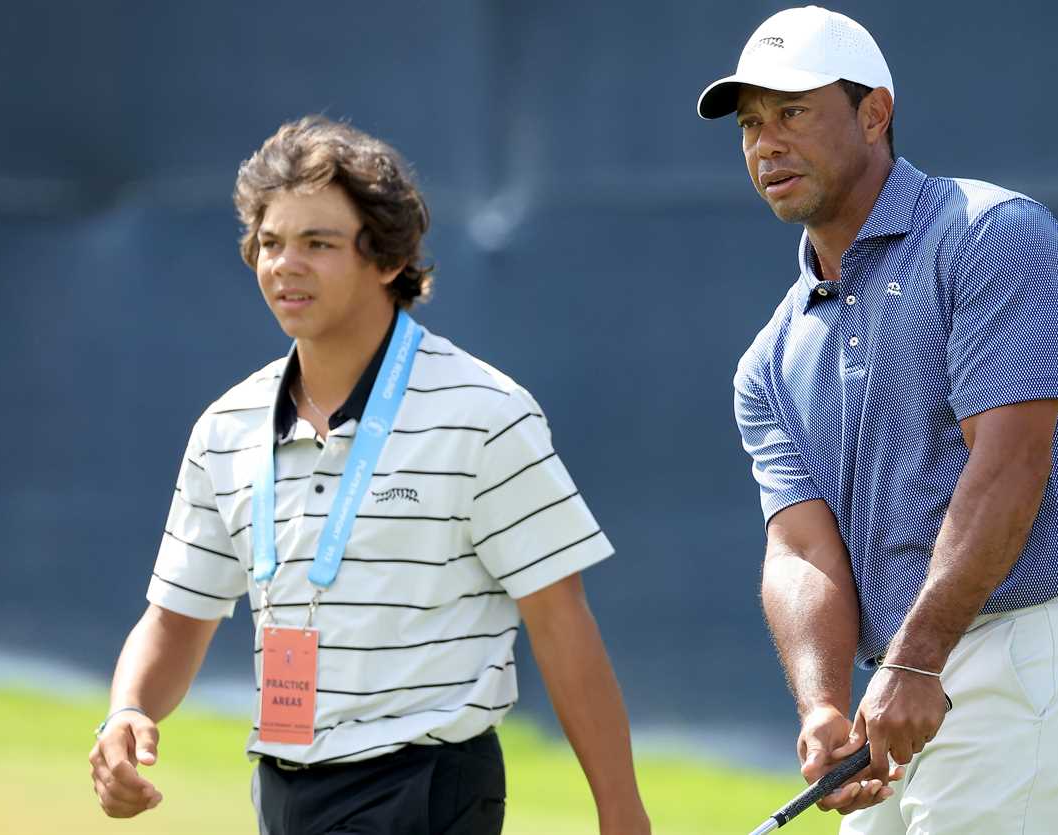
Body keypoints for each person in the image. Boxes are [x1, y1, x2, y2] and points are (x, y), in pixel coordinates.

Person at [87, 115, 651, 835]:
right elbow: (174, 619)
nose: (284, 265)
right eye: (270, 243)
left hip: (425, 787)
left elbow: (561, 620)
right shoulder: (225, 428)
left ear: (386, 259)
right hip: (282, 788)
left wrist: (620, 810)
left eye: (317, 244)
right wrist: (129, 708)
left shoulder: (483, 412)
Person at [697, 6, 1058, 833]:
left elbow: (1011, 466)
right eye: (750, 124)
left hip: (1028, 660)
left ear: (874, 113)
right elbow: (802, 549)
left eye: (794, 113)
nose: (765, 144)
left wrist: (915, 656)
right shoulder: (768, 360)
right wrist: (821, 705)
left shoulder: (990, 235)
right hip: (902, 693)